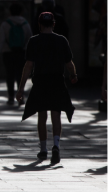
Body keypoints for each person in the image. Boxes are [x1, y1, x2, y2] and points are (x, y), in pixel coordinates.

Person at [16, 12, 78, 164]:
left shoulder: (34, 41)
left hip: (40, 82)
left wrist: (21, 87)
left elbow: (28, 66)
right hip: (57, 80)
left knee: (41, 115)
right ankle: (56, 146)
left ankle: (43, 149)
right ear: (54, 24)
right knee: (56, 115)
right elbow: (69, 63)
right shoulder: (61, 40)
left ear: (39, 24)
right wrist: (73, 75)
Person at [0, 3, 32, 105]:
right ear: (21, 12)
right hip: (21, 52)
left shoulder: (5, 24)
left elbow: (1, 40)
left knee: (9, 75)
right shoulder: (25, 23)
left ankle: (11, 97)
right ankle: (21, 97)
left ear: (10, 12)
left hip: (8, 53)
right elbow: (30, 39)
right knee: (21, 75)